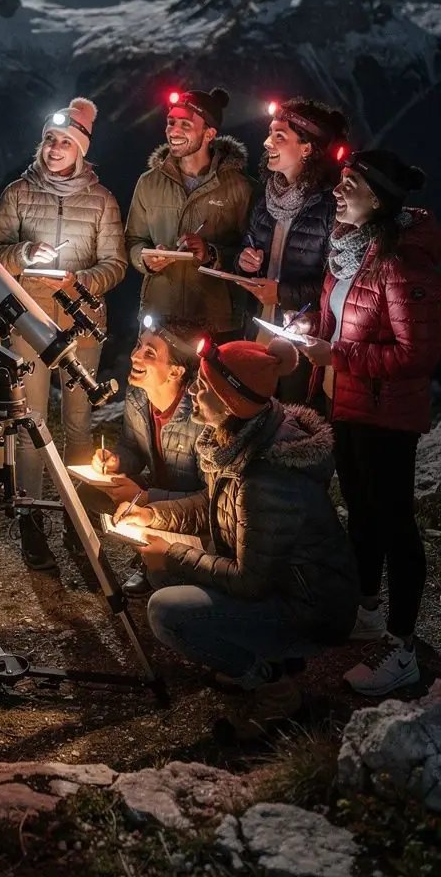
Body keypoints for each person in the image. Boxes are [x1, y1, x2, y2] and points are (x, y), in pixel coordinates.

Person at [127, 337, 357, 733]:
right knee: (163, 572)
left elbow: (250, 581)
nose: (193, 394)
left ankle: (274, 687)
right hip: (280, 588)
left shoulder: (266, 475)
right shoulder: (238, 438)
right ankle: (263, 658)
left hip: (309, 610)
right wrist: (153, 514)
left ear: (230, 402)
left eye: (204, 388)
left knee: (165, 609)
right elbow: (211, 504)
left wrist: (173, 553)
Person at [303, 149, 441, 696]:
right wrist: (314, 332)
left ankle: (402, 647)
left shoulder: (405, 262)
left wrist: (336, 357)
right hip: (352, 402)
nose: (338, 191)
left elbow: (417, 355)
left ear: (378, 199)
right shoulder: (354, 251)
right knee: (361, 511)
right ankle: (367, 609)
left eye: (350, 184)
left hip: (386, 410)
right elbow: (343, 318)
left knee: (394, 523)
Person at [0, 98, 127, 570]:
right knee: (30, 425)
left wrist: (80, 281)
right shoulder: (17, 193)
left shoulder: (102, 199)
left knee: (78, 424)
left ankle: (77, 516)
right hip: (29, 322)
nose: (54, 148)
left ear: (81, 149)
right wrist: (25, 251)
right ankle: (30, 520)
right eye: (49, 139)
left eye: (65, 141)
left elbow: (116, 263)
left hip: (81, 326)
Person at [233, 98, 349, 400]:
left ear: (306, 148)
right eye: (270, 132)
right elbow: (248, 246)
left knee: (295, 418)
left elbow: (335, 283)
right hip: (260, 326)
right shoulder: (266, 197)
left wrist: (281, 293)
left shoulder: (329, 207)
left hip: (303, 339)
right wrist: (246, 262)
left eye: (279, 136)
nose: (267, 142)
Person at [87, 315, 205, 596]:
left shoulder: (200, 415)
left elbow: (211, 499)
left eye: (149, 353)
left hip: (190, 511)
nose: (135, 356)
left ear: (176, 372)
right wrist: (115, 459)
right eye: (139, 346)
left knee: (164, 587)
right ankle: (148, 557)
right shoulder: (138, 395)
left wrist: (144, 497)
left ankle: (180, 565)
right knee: (88, 492)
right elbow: (132, 448)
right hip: (155, 492)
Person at [125, 87, 253, 335]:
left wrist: (211, 253)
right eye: (171, 122)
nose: (173, 131)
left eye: (185, 124)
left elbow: (250, 257)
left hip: (215, 324)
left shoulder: (240, 188)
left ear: (209, 133)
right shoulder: (149, 182)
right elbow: (133, 240)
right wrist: (145, 258)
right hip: (159, 319)